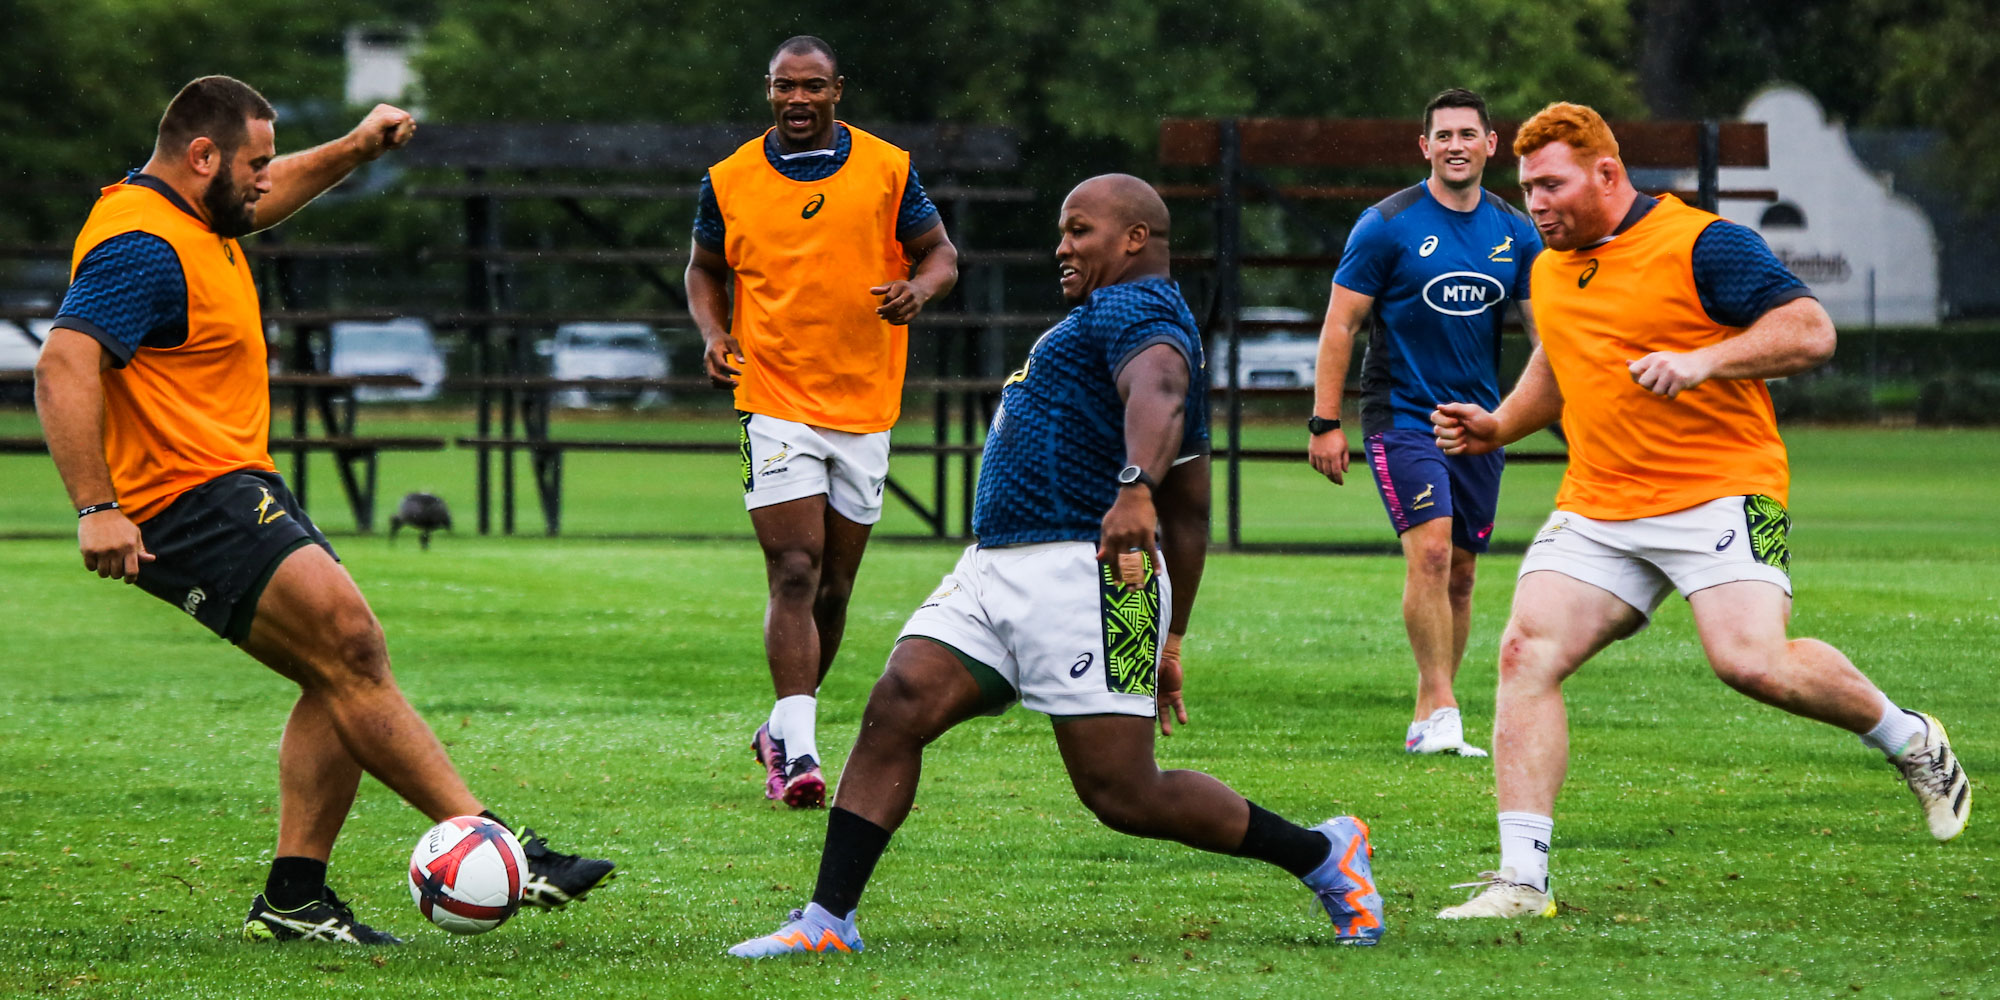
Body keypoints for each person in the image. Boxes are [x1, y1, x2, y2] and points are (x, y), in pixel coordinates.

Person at [727, 174, 1383, 957]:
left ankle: (1322, 853)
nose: (1062, 246)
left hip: (1089, 573)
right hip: (997, 567)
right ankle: (827, 923)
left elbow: (1160, 390)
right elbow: (1195, 506)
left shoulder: (1139, 311)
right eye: (1062, 232)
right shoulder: (1105, 318)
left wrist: (1135, 492)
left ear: (1134, 239)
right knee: (897, 705)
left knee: (1123, 794)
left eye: (1079, 231)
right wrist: (1170, 636)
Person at [35, 75, 615, 944]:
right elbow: (63, 364)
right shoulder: (140, 244)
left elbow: (264, 203)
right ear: (203, 158)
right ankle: (504, 849)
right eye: (255, 165)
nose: (267, 182)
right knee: (352, 646)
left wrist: (355, 148)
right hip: (181, 499)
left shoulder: (194, 212)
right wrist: (95, 508)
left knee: (336, 671)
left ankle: (294, 898)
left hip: (234, 482)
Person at [1429, 102, 1970, 919]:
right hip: (1602, 501)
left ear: (1607, 174)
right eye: (1528, 187)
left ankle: (1910, 739)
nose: (1535, 203)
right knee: (1525, 655)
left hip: (1721, 487)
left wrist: (1705, 359)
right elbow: (1559, 357)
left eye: (1551, 184)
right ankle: (1521, 880)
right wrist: (1500, 423)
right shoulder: (1549, 263)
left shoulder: (1702, 243)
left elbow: (1811, 331)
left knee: (1751, 662)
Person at [684, 35, 959, 809]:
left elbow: (940, 255)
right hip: (772, 397)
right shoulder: (729, 179)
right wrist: (714, 334)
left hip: (865, 402)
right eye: (783, 87)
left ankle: (778, 729)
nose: (796, 100)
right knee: (796, 569)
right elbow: (704, 268)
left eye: (812, 87)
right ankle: (800, 757)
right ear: (767, 91)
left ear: (838, 90)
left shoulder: (889, 168)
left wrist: (921, 292)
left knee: (834, 588)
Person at [1307, 88, 1543, 757]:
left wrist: (1522, 416)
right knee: (1432, 553)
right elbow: (1340, 325)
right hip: (1404, 414)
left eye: (1469, 134)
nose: (1456, 146)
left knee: (1463, 572)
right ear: (1425, 147)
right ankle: (1445, 709)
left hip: (1480, 423)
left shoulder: (1515, 231)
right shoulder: (1385, 225)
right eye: (1443, 136)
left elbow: (1546, 337)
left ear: (1492, 145)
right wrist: (1324, 421)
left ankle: (1427, 715)